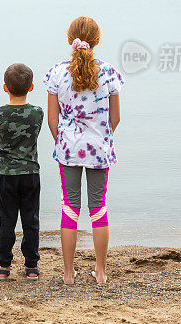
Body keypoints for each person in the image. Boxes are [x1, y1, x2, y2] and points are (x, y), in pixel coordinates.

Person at [43, 16, 123, 285]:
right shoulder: (109, 72)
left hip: (68, 148)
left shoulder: (57, 72)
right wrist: (101, 137)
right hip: (99, 148)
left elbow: (52, 119)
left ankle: (68, 274)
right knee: (98, 208)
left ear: (70, 39)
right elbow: (116, 118)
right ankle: (100, 272)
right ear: (97, 40)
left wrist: (62, 141)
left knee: (70, 207)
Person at [0, 63, 43, 281]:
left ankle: (4, 265)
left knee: (7, 219)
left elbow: (0, 136)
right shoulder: (37, 113)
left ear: (5, 87)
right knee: (30, 220)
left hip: (6, 174)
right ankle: (31, 265)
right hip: (30, 172)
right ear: (31, 87)